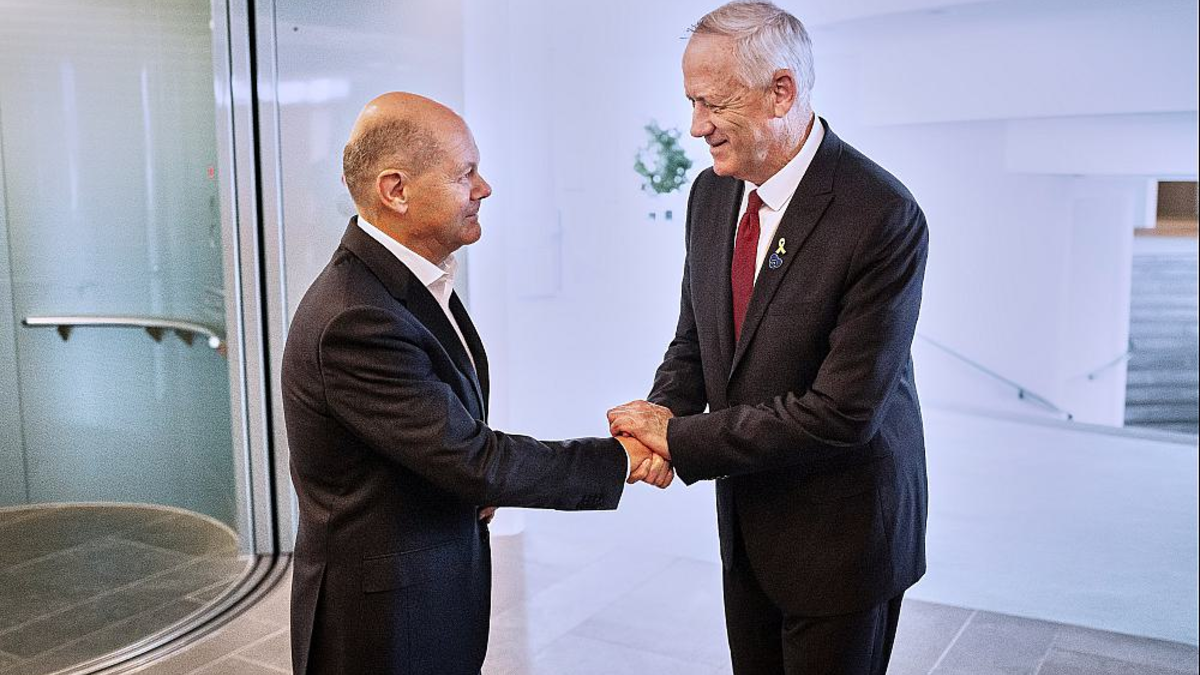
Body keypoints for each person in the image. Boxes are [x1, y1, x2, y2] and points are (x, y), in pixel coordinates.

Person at [281, 92, 671, 675]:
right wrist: (622, 458)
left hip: (422, 595)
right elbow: (472, 458)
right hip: (380, 624)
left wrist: (470, 484)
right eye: (465, 173)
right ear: (396, 190)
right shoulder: (357, 318)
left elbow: (435, 441)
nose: (483, 188)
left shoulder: (404, 285)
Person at [607, 2, 929, 673]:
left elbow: (843, 413)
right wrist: (661, 413)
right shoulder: (711, 193)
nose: (696, 126)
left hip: (842, 540)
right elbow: (696, 340)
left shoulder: (883, 215)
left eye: (713, 103)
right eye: (691, 102)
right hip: (748, 524)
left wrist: (678, 440)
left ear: (781, 91)